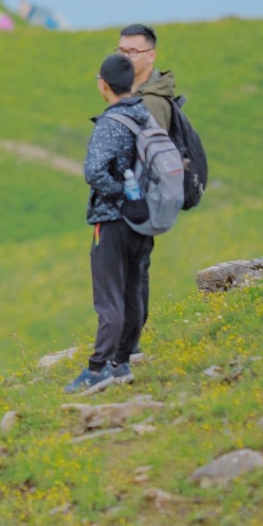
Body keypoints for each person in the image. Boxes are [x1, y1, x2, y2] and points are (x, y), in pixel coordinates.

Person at [67, 53, 156, 392]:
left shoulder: (112, 122)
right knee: (133, 289)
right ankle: (122, 362)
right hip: (143, 219)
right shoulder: (145, 115)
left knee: (109, 296)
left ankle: (98, 368)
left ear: (103, 84)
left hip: (113, 219)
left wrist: (120, 194)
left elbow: (93, 171)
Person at [118, 23, 176, 357]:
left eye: (133, 51)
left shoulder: (152, 103)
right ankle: (128, 346)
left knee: (133, 273)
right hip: (133, 200)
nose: (125, 57)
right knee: (131, 272)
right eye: (121, 50)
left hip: (139, 203)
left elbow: (152, 159)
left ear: (151, 56)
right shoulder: (135, 94)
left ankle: (128, 349)